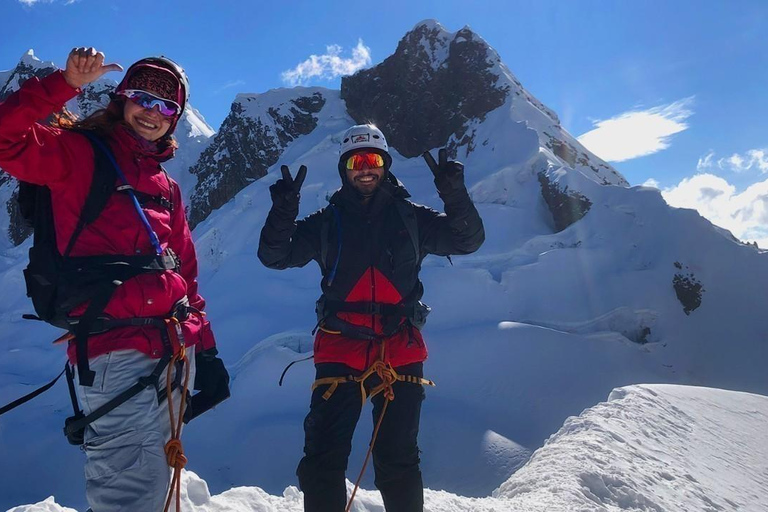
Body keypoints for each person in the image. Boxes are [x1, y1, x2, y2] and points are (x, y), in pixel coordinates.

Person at [0, 47, 228, 511]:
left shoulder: (166, 186)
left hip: (172, 351)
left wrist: (207, 350)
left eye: (167, 106)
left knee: (161, 480)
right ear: (122, 99)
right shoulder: (79, 153)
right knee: (126, 492)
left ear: (176, 119)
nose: (153, 112)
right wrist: (63, 84)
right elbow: (6, 139)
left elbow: (185, 271)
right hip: (115, 352)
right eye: (144, 97)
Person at [258, 124, 485, 511]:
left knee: (397, 458)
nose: (366, 168)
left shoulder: (411, 217)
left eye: (373, 159)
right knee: (323, 460)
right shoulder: (327, 221)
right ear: (345, 168)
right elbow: (276, 256)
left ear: (385, 165)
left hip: (399, 342)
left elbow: (467, 240)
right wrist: (283, 213)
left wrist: (454, 192)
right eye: (356, 161)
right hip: (340, 343)